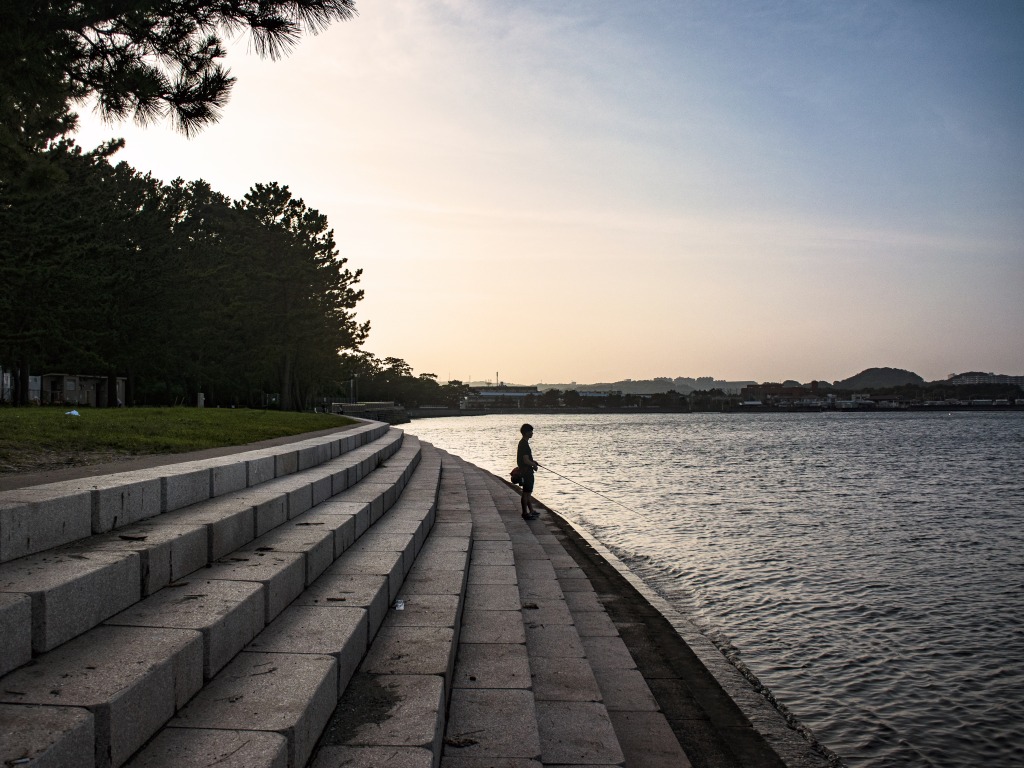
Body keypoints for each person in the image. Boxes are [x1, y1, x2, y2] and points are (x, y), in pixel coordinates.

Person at [517, 423, 540, 519]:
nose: (532, 433)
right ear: (526, 432)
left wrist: (533, 461)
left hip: (525, 470)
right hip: (527, 472)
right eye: (530, 431)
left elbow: (525, 458)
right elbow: (525, 460)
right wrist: (534, 465)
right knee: (526, 493)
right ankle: (525, 513)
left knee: (528, 492)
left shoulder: (523, 443)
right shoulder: (524, 444)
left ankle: (531, 511)